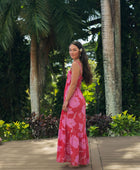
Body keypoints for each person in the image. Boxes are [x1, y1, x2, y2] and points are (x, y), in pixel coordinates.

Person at [56, 41, 92, 168]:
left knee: (73, 130)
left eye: (74, 50)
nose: (72, 52)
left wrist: (66, 101)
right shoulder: (80, 64)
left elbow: (72, 85)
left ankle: (75, 160)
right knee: (77, 130)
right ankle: (79, 159)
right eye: (70, 50)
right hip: (77, 100)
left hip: (74, 101)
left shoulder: (76, 64)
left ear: (80, 51)